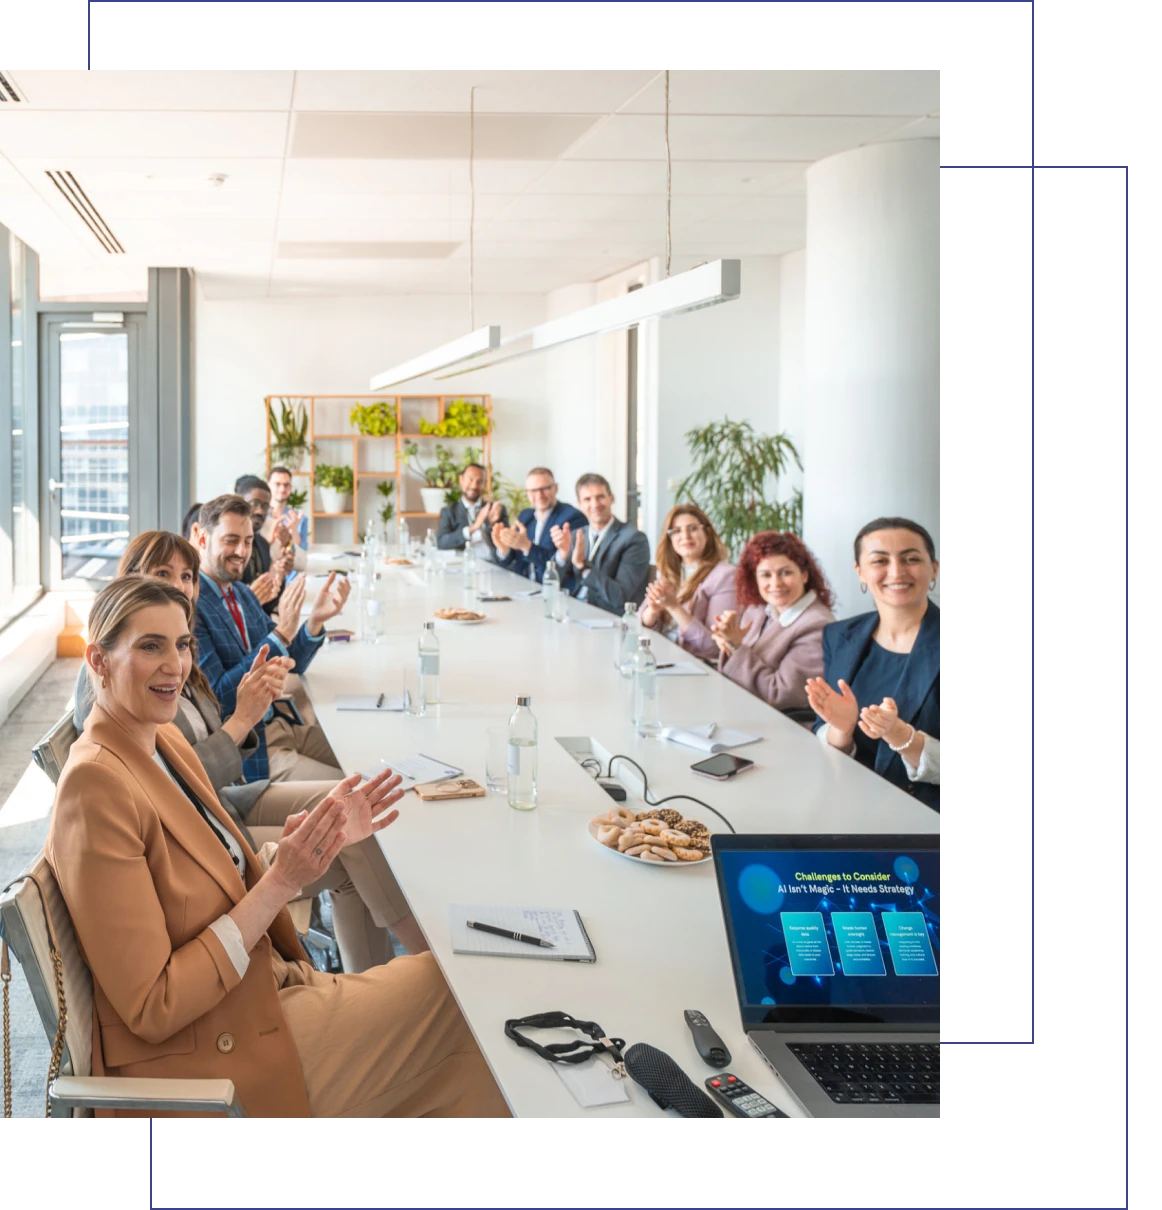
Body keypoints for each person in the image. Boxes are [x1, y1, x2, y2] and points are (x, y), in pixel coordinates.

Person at [47, 575, 508, 1119]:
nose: (175, 665)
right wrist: (281, 882)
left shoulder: (159, 740)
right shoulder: (95, 786)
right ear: (98, 661)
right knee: (463, 999)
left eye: (182, 644)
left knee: (455, 981)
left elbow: (202, 886)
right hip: (207, 1055)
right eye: (151, 646)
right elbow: (154, 1005)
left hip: (253, 995)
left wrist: (309, 847)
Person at [72, 532, 426, 970]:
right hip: (207, 827)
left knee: (348, 808)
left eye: (187, 576)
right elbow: (169, 786)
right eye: (163, 573)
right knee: (343, 834)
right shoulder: (115, 684)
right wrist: (243, 716)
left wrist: (304, 629)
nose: (179, 586)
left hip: (227, 797)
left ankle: (384, 977)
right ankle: (413, 962)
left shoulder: (183, 642)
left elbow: (209, 725)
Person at [193, 494, 349, 784]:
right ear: (202, 539)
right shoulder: (193, 607)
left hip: (280, 725)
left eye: (248, 541)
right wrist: (282, 633)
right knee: (353, 787)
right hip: (251, 752)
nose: (242, 551)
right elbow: (217, 696)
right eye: (231, 541)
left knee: (364, 762)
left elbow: (292, 661)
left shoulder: (241, 593)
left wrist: (314, 622)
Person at [806, 517, 943, 812]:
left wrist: (902, 736)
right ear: (860, 572)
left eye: (911, 559)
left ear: (934, 568)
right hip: (846, 799)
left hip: (925, 814)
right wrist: (841, 730)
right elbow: (826, 730)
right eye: (880, 560)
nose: (896, 572)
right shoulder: (839, 635)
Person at [711, 531, 835, 712]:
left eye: (785, 572)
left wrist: (736, 648)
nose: (775, 583)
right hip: (742, 707)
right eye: (766, 575)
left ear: (804, 575)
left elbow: (780, 694)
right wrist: (728, 644)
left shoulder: (817, 625)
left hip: (779, 721)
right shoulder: (758, 611)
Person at [638, 504, 735, 661]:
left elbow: (714, 647)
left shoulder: (724, 576)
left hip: (696, 663)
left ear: (707, 533)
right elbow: (637, 623)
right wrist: (652, 611)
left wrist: (674, 607)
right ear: (670, 538)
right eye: (677, 531)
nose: (685, 536)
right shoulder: (668, 572)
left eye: (693, 528)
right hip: (661, 656)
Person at [555, 473, 650, 614]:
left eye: (600, 497)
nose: (595, 504)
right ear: (579, 504)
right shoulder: (576, 535)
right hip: (573, 610)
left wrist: (583, 567)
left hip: (607, 616)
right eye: (587, 499)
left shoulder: (634, 539)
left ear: (611, 498)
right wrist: (562, 555)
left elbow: (620, 597)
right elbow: (552, 583)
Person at [490, 466, 586, 583]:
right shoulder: (525, 516)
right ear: (527, 493)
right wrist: (504, 550)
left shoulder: (572, 518)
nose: (539, 495)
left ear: (555, 488)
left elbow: (564, 565)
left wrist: (527, 546)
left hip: (554, 588)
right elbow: (511, 560)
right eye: (533, 491)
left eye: (544, 489)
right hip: (522, 586)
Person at [234, 474, 289, 613]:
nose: (259, 511)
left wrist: (279, 577)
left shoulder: (262, 545)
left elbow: (268, 605)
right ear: (239, 502)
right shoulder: (228, 547)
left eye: (265, 507)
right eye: (254, 504)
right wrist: (250, 601)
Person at [436, 463, 507, 556]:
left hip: (491, 562)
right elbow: (442, 543)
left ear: (484, 485)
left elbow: (507, 546)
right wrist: (473, 527)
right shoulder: (449, 511)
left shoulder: (495, 509)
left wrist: (491, 525)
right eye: (470, 479)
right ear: (461, 480)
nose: (474, 486)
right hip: (464, 562)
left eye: (479, 481)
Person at [263, 465, 310, 584]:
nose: (282, 489)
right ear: (268, 486)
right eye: (277, 484)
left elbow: (301, 557)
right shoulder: (260, 519)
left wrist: (294, 531)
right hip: (266, 576)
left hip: (291, 578)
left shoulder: (300, 518)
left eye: (286, 485)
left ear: (291, 487)